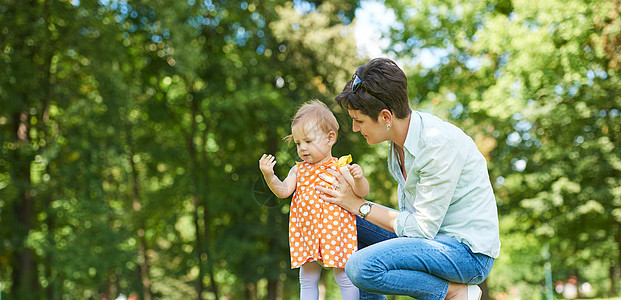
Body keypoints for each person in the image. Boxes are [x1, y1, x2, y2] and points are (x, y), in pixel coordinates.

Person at [315, 58, 501, 300]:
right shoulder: (397, 147)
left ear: (385, 117)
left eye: (359, 120)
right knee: (347, 221)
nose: (353, 128)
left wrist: (360, 205)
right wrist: (351, 206)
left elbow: (422, 228)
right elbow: (413, 228)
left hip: (466, 253)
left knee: (360, 267)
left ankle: (454, 293)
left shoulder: (436, 144)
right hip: (428, 241)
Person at [259, 100, 370, 300]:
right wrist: (270, 176)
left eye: (308, 141)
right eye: (298, 143)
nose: (302, 148)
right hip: (307, 230)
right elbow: (283, 191)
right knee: (307, 278)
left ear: (330, 138)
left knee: (344, 275)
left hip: (336, 230)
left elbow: (361, 193)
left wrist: (359, 178)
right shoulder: (298, 169)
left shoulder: (340, 167)